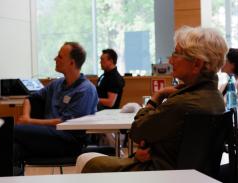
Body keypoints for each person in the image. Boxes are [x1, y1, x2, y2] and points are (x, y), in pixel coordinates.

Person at [75, 26, 228, 173]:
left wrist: (156, 97)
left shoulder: (181, 103)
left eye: (176, 54)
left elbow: (136, 130)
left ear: (196, 64)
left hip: (159, 173)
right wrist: (148, 144)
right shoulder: (216, 99)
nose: (171, 60)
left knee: (85, 159)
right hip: (185, 173)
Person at [14, 42, 98, 174]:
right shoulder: (57, 83)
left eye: (59, 56)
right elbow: (30, 99)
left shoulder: (85, 90)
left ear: (71, 63)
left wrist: (29, 122)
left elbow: (65, 122)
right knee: (13, 149)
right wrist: (26, 116)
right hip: (48, 136)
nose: (55, 59)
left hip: (68, 141)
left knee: (11, 130)